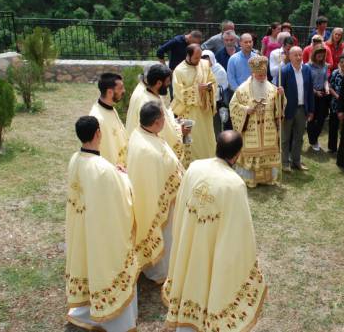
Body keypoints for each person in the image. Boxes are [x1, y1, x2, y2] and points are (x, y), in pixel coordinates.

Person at [162, 130, 267, 332]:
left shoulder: (194, 168)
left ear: (217, 147)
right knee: (209, 280)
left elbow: (181, 205)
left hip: (189, 240)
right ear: (237, 155)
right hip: (212, 247)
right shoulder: (234, 184)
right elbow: (239, 233)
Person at [66, 116, 139, 332]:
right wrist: (124, 176)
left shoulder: (74, 160)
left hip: (83, 226)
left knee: (87, 261)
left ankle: (86, 309)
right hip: (102, 230)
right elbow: (123, 198)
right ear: (98, 133)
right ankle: (116, 320)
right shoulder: (103, 169)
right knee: (107, 265)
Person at [126, 102, 184, 283]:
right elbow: (155, 182)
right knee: (165, 231)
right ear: (157, 122)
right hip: (159, 200)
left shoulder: (140, 133)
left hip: (161, 194)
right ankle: (162, 269)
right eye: (164, 118)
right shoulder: (147, 151)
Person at [229, 56, 284, 187]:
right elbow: (233, 106)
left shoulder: (273, 88)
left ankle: (268, 179)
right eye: (259, 75)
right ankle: (251, 179)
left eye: (264, 75)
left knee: (268, 150)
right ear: (253, 73)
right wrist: (246, 110)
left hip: (268, 128)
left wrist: (281, 96)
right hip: (250, 128)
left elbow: (279, 108)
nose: (262, 77)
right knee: (251, 151)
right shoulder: (242, 89)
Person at [126, 64, 187, 163]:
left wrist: (174, 122)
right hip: (151, 154)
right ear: (158, 83)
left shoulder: (150, 93)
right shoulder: (148, 102)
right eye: (167, 82)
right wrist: (180, 132)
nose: (169, 85)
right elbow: (161, 131)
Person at [171, 44, 217, 161]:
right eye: (196, 58)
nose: (198, 60)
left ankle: (209, 160)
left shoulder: (204, 64)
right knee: (193, 140)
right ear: (188, 55)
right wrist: (197, 89)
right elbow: (179, 93)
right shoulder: (179, 71)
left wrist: (209, 87)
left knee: (207, 138)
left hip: (205, 110)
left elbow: (213, 81)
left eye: (200, 57)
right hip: (189, 112)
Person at [279, 47, 314, 171]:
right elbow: (277, 91)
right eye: (295, 55)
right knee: (285, 138)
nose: (299, 57)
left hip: (302, 109)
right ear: (290, 56)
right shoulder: (284, 71)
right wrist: (279, 92)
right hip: (288, 110)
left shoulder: (307, 70)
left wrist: (311, 110)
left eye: (300, 55)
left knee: (299, 138)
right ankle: (284, 162)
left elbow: (310, 91)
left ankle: (296, 161)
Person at [89, 72, 128, 167]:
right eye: (120, 88)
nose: (124, 91)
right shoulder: (97, 118)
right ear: (110, 92)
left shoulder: (111, 108)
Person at [201, 49, 230, 134]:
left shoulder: (219, 70)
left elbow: (222, 86)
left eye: (207, 60)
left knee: (215, 123)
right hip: (203, 100)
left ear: (212, 59)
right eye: (203, 60)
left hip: (216, 102)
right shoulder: (200, 69)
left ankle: (217, 138)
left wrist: (209, 87)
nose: (206, 62)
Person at [307, 45, 330, 152]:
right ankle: (313, 141)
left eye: (322, 53)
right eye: (319, 53)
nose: (321, 55)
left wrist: (327, 87)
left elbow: (325, 80)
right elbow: (306, 83)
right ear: (314, 54)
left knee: (321, 119)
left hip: (322, 94)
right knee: (312, 118)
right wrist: (315, 92)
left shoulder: (325, 65)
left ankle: (314, 138)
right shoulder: (308, 66)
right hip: (312, 95)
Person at [328, 53, 344, 153]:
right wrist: (337, 96)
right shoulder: (335, 73)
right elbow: (330, 87)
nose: (343, 64)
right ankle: (332, 148)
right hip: (335, 104)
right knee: (333, 126)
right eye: (341, 62)